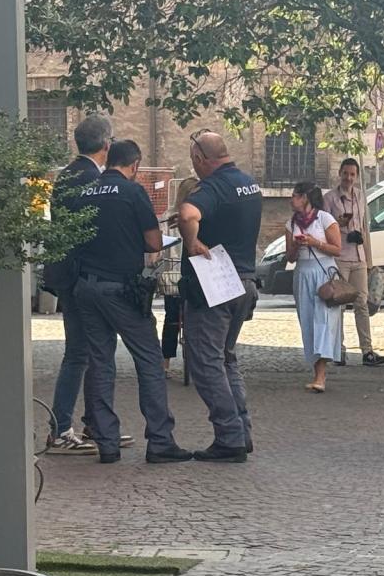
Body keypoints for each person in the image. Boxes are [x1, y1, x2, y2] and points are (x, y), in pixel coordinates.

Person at [74, 140, 192, 464]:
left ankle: (106, 443)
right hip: (122, 289)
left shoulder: (86, 191)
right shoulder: (132, 192)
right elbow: (154, 240)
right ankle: (160, 440)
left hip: (86, 286)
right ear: (135, 164)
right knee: (149, 360)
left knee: (99, 363)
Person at [42, 114, 131, 454]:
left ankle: (95, 424)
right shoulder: (90, 179)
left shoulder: (68, 175)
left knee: (93, 351)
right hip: (82, 274)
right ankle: (61, 428)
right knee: (80, 352)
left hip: (70, 273)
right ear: (107, 145)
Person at [178, 131, 262, 463]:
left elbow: (188, 214)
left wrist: (191, 242)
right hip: (244, 282)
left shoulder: (212, 187)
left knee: (205, 362)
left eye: (193, 162)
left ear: (201, 159)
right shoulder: (248, 183)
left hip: (215, 285)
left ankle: (229, 437)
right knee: (226, 358)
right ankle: (242, 430)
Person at [323, 158, 384, 367]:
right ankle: (338, 350)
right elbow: (324, 228)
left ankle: (367, 350)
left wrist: (368, 259)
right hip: (340, 256)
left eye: (352, 174)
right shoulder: (330, 198)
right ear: (339, 174)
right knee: (339, 305)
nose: (348, 178)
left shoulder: (361, 196)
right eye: (345, 173)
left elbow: (365, 228)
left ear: (357, 176)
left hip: (358, 257)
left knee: (362, 303)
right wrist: (339, 226)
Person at [286, 181, 343, 392]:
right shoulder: (291, 223)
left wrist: (315, 243)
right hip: (303, 273)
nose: (291, 199)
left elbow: (337, 249)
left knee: (323, 321)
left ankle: (321, 375)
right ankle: (316, 372)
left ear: (305, 198)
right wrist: (295, 245)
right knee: (309, 322)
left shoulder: (325, 219)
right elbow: (290, 258)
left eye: (295, 195)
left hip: (324, 274)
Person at [161, 176, 199, 375]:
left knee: (175, 319)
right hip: (179, 273)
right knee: (173, 319)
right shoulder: (175, 216)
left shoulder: (187, 214)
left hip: (183, 272)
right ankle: (166, 362)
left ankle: (165, 363)